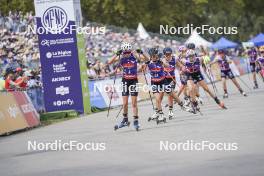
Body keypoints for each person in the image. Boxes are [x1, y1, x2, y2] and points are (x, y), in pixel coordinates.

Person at [107, 42, 145, 131]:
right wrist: (116, 54)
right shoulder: (121, 58)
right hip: (125, 81)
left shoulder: (134, 56)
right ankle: (125, 120)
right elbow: (109, 62)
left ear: (130, 51)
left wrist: (142, 52)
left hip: (133, 81)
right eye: (125, 52)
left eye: (128, 52)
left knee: (134, 103)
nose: (127, 54)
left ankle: (136, 120)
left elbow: (147, 59)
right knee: (124, 103)